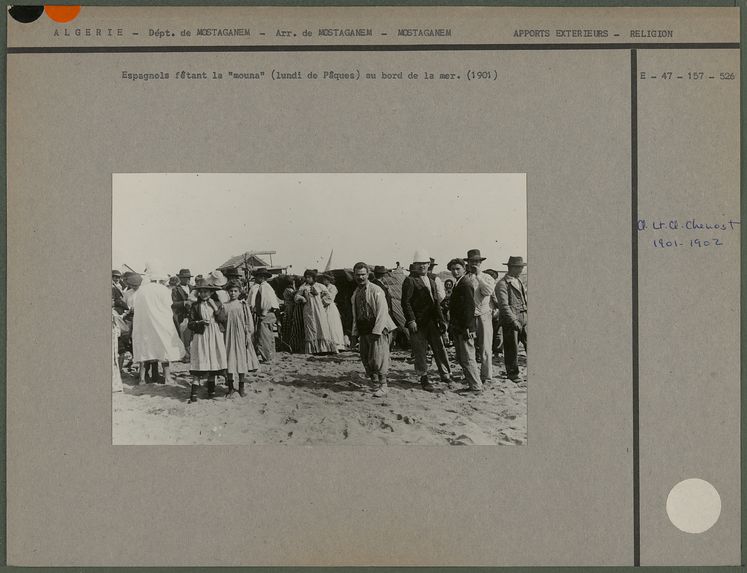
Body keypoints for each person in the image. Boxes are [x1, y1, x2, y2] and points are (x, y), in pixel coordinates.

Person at [401, 249, 452, 391]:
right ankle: (424, 377)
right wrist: (411, 320)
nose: (422, 266)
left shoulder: (431, 280)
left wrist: (441, 321)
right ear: (414, 265)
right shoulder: (410, 281)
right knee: (420, 351)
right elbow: (406, 302)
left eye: (424, 263)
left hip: (432, 321)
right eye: (419, 264)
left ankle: (445, 373)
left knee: (439, 348)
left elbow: (436, 303)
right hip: (418, 323)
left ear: (429, 264)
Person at [132, 262, 186, 385]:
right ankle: (167, 377)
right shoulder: (163, 290)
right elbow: (167, 306)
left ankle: (142, 379)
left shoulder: (141, 290)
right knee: (164, 347)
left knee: (145, 349)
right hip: (160, 323)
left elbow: (137, 308)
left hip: (144, 325)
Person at [351, 262, 397, 397]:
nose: (360, 278)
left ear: (368, 275)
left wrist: (377, 332)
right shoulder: (356, 293)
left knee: (379, 358)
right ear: (354, 275)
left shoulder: (376, 290)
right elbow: (356, 315)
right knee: (366, 357)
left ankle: (384, 386)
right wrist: (354, 334)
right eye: (357, 275)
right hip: (363, 328)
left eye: (363, 275)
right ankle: (375, 383)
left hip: (379, 328)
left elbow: (382, 312)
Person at [447, 258, 482, 392]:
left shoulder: (465, 284)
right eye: (453, 269)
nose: (455, 271)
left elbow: (469, 308)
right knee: (463, 357)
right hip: (459, 326)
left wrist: (469, 327)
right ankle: (472, 384)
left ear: (464, 269)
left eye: (458, 269)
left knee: (468, 357)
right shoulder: (459, 283)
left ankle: (476, 386)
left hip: (465, 327)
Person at [222, 280, 259, 397]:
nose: (233, 293)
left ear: (239, 292)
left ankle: (241, 386)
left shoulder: (243, 305)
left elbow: (249, 322)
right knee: (229, 359)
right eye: (231, 291)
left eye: (235, 291)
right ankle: (231, 387)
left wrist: (248, 335)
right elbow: (221, 321)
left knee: (241, 359)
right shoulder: (224, 305)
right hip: (228, 336)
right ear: (228, 292)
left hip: (241, 335)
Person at [466, 248, 496, 384]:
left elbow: (488, 291)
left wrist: (479, 276)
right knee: (469, 347)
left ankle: (486, 376)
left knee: (485, 347)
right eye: (472, 261)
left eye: (477, 261)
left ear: (480, 263)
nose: (474, 264)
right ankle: (473, 376)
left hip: (484, 315)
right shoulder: (465, 278)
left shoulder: (486, 277)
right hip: (469, 317)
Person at [496, 256, 528, 383]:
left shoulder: (518, 281)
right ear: (511, 268)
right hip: (512, 319)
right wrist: (513, 320)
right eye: (519, 267)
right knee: (511, 347)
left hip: (524, 316)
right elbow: (504, 306)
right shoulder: (502, 284)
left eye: (522, 267)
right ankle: (513, 373)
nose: (521, 270)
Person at [295, 269, 338, 355]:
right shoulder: (303, 287)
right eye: (306, 277)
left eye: (309, 277)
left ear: (314, 278)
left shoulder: (320, 286)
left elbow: (329, 297)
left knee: (321, 326)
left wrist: (321, 303)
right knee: (311, 327)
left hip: (319, 310)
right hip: (308, 310)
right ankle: (313, 349)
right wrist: (302, 298)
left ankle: (324, 348)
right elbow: (296, 296)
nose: (307, 279)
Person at [248, 268, 280, 361]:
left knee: (264, 335)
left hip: (266, 313)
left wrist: (263, 313)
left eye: (262, 277)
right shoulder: (258, 287)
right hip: (262, 313)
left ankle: (267, 356)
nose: (259, 278)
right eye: (258, 276)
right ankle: (266, 354)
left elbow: (267, 302)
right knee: (264, 334)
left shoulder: (265, 287)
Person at [318, 273, 346, 350]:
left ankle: (336, 344)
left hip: (330, 307)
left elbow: (330, 298)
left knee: (332, 324)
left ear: (329, 280)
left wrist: (322, 300)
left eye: (326, 279)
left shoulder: (333, 287)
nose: (324, 281)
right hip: (323, 307)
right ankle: (326, 345)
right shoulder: (323, 287)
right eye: (323, 279)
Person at [171, 268, 194, 360]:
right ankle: (185, 355)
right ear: (180, 278)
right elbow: (173, 303)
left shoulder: (193, 288)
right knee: (184, 335)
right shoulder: (176, 290)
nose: (188, 279)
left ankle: (191, 354)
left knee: (192, 335)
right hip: (182, 315)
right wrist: (184, 303)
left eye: (188, 277)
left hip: (192, 315)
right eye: (185, 277)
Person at [280, 275, 305, 353]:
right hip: (291, 308)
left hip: (289, 307)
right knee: (290, 324)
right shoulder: (289, 290)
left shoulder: (287, 289)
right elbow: (295, 296)